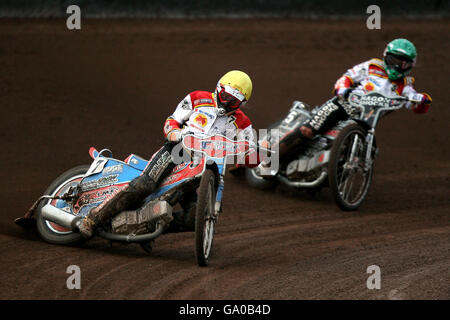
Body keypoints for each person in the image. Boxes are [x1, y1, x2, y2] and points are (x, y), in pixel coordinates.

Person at [78, 70, 259, 238]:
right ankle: (93, 219)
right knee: (145, 184)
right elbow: (172, 120)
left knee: (196, 217)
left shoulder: (243, 122)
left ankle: (145, 227)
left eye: (233, 101)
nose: (227, 103)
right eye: (225, 96)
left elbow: (252, 153)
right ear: (219, 88)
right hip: (177, 150)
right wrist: (174, 133)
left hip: (204, 168)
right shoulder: (198, 98)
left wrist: (256, 155)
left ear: (241, 104)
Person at [260, 38, 432, 170]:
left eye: (405, 63)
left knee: (360, 153)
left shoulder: (405, 86)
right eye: (396, 60)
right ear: (387, 56)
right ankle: (270, 159)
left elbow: (415, 103)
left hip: (366, 119)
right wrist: (343, 89)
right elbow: (348, 77)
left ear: (410, 65)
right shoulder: (372, 66)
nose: (399, 66)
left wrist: (423, 101)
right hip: (344, 105)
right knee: (308, 130)